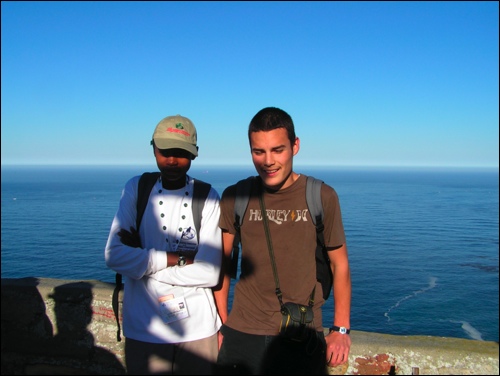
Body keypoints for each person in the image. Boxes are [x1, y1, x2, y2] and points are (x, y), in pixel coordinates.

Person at [214, 107, 351, 375]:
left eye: (278, 150)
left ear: (295, 146)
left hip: (302, 332)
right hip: (242, 330)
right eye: (258, 151)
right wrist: (222, 323)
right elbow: (222, 265)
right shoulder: (236, 196)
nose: (268, 161)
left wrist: (341, 328)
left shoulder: (321, 197)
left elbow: (340, 265)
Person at [105, 114, 222, 375]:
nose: (172, 160)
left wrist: (143, 261)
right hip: (145, 328)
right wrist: (176, 258)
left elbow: (211, 273)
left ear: (194, 154)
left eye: (181, 152)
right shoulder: (137, 188)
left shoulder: (208, 196)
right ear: (154, 148)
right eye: (165, 151)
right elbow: (113, 255)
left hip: (198, 330)